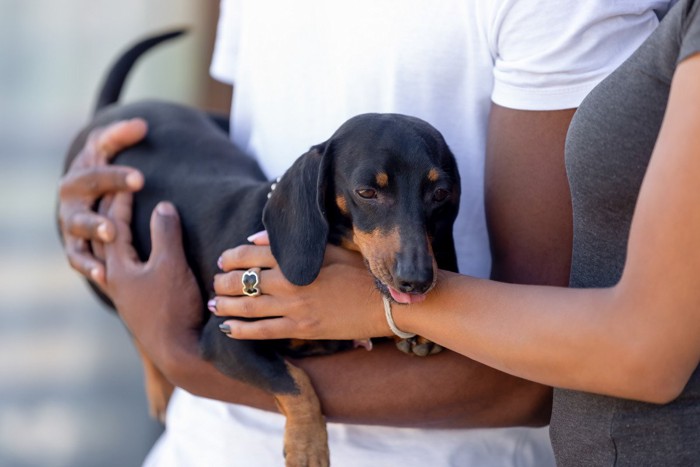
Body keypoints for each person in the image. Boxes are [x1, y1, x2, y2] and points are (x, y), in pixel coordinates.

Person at [57, 1, 671, 465]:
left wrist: (183, 356)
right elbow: (251, 147)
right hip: (200, 445)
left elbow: (539, 377)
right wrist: (104, 195)